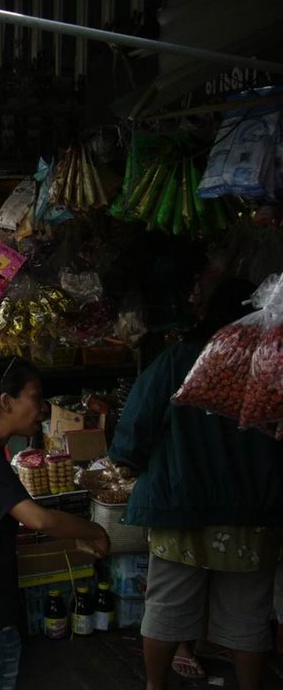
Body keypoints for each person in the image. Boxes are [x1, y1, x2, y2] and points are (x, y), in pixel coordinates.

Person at [109, 279, 283, 690]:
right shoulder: (274, 366)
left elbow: (135, 426)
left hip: (180, 505)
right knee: (247, 614)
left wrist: (126, 462)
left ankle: (154, 686)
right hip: (252, 511)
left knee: (167, 606)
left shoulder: (180, 359)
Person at [0, 355, 110, 690]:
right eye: (36, 397)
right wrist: (94, 530)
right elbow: (38, 518)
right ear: (6, 402)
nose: (42, 409)